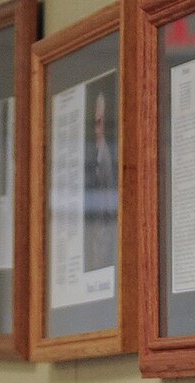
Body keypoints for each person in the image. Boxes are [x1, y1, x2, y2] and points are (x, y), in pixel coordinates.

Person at [83, 85, 118, 271]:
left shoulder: (106, 156)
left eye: (100, 122)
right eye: (94, 122)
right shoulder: (92, 152)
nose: (97, 128)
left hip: (102, 231)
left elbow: (107, 203)